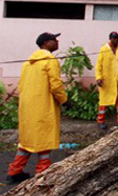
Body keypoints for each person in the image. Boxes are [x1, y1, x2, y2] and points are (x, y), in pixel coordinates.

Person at [6, 32, 67, 184]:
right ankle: (42, 175)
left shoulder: (28, 62)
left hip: (27, 107)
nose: (57, 41)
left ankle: (14, 172)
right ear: (46, 43)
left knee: (27, 141)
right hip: (42, 106)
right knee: (44, 140)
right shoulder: (50, 60)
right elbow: (55, 84)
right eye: (54, 39)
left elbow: (21, 85)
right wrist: (64, 100)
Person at [95, 31, 118, 130]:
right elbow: (99, 65)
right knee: (103, 102)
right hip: (106, 81)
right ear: (110, 39)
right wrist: (98, 77)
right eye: (114, 38)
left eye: (117, 38)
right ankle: (100, 121)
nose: (116, 40)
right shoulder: (104, 49)